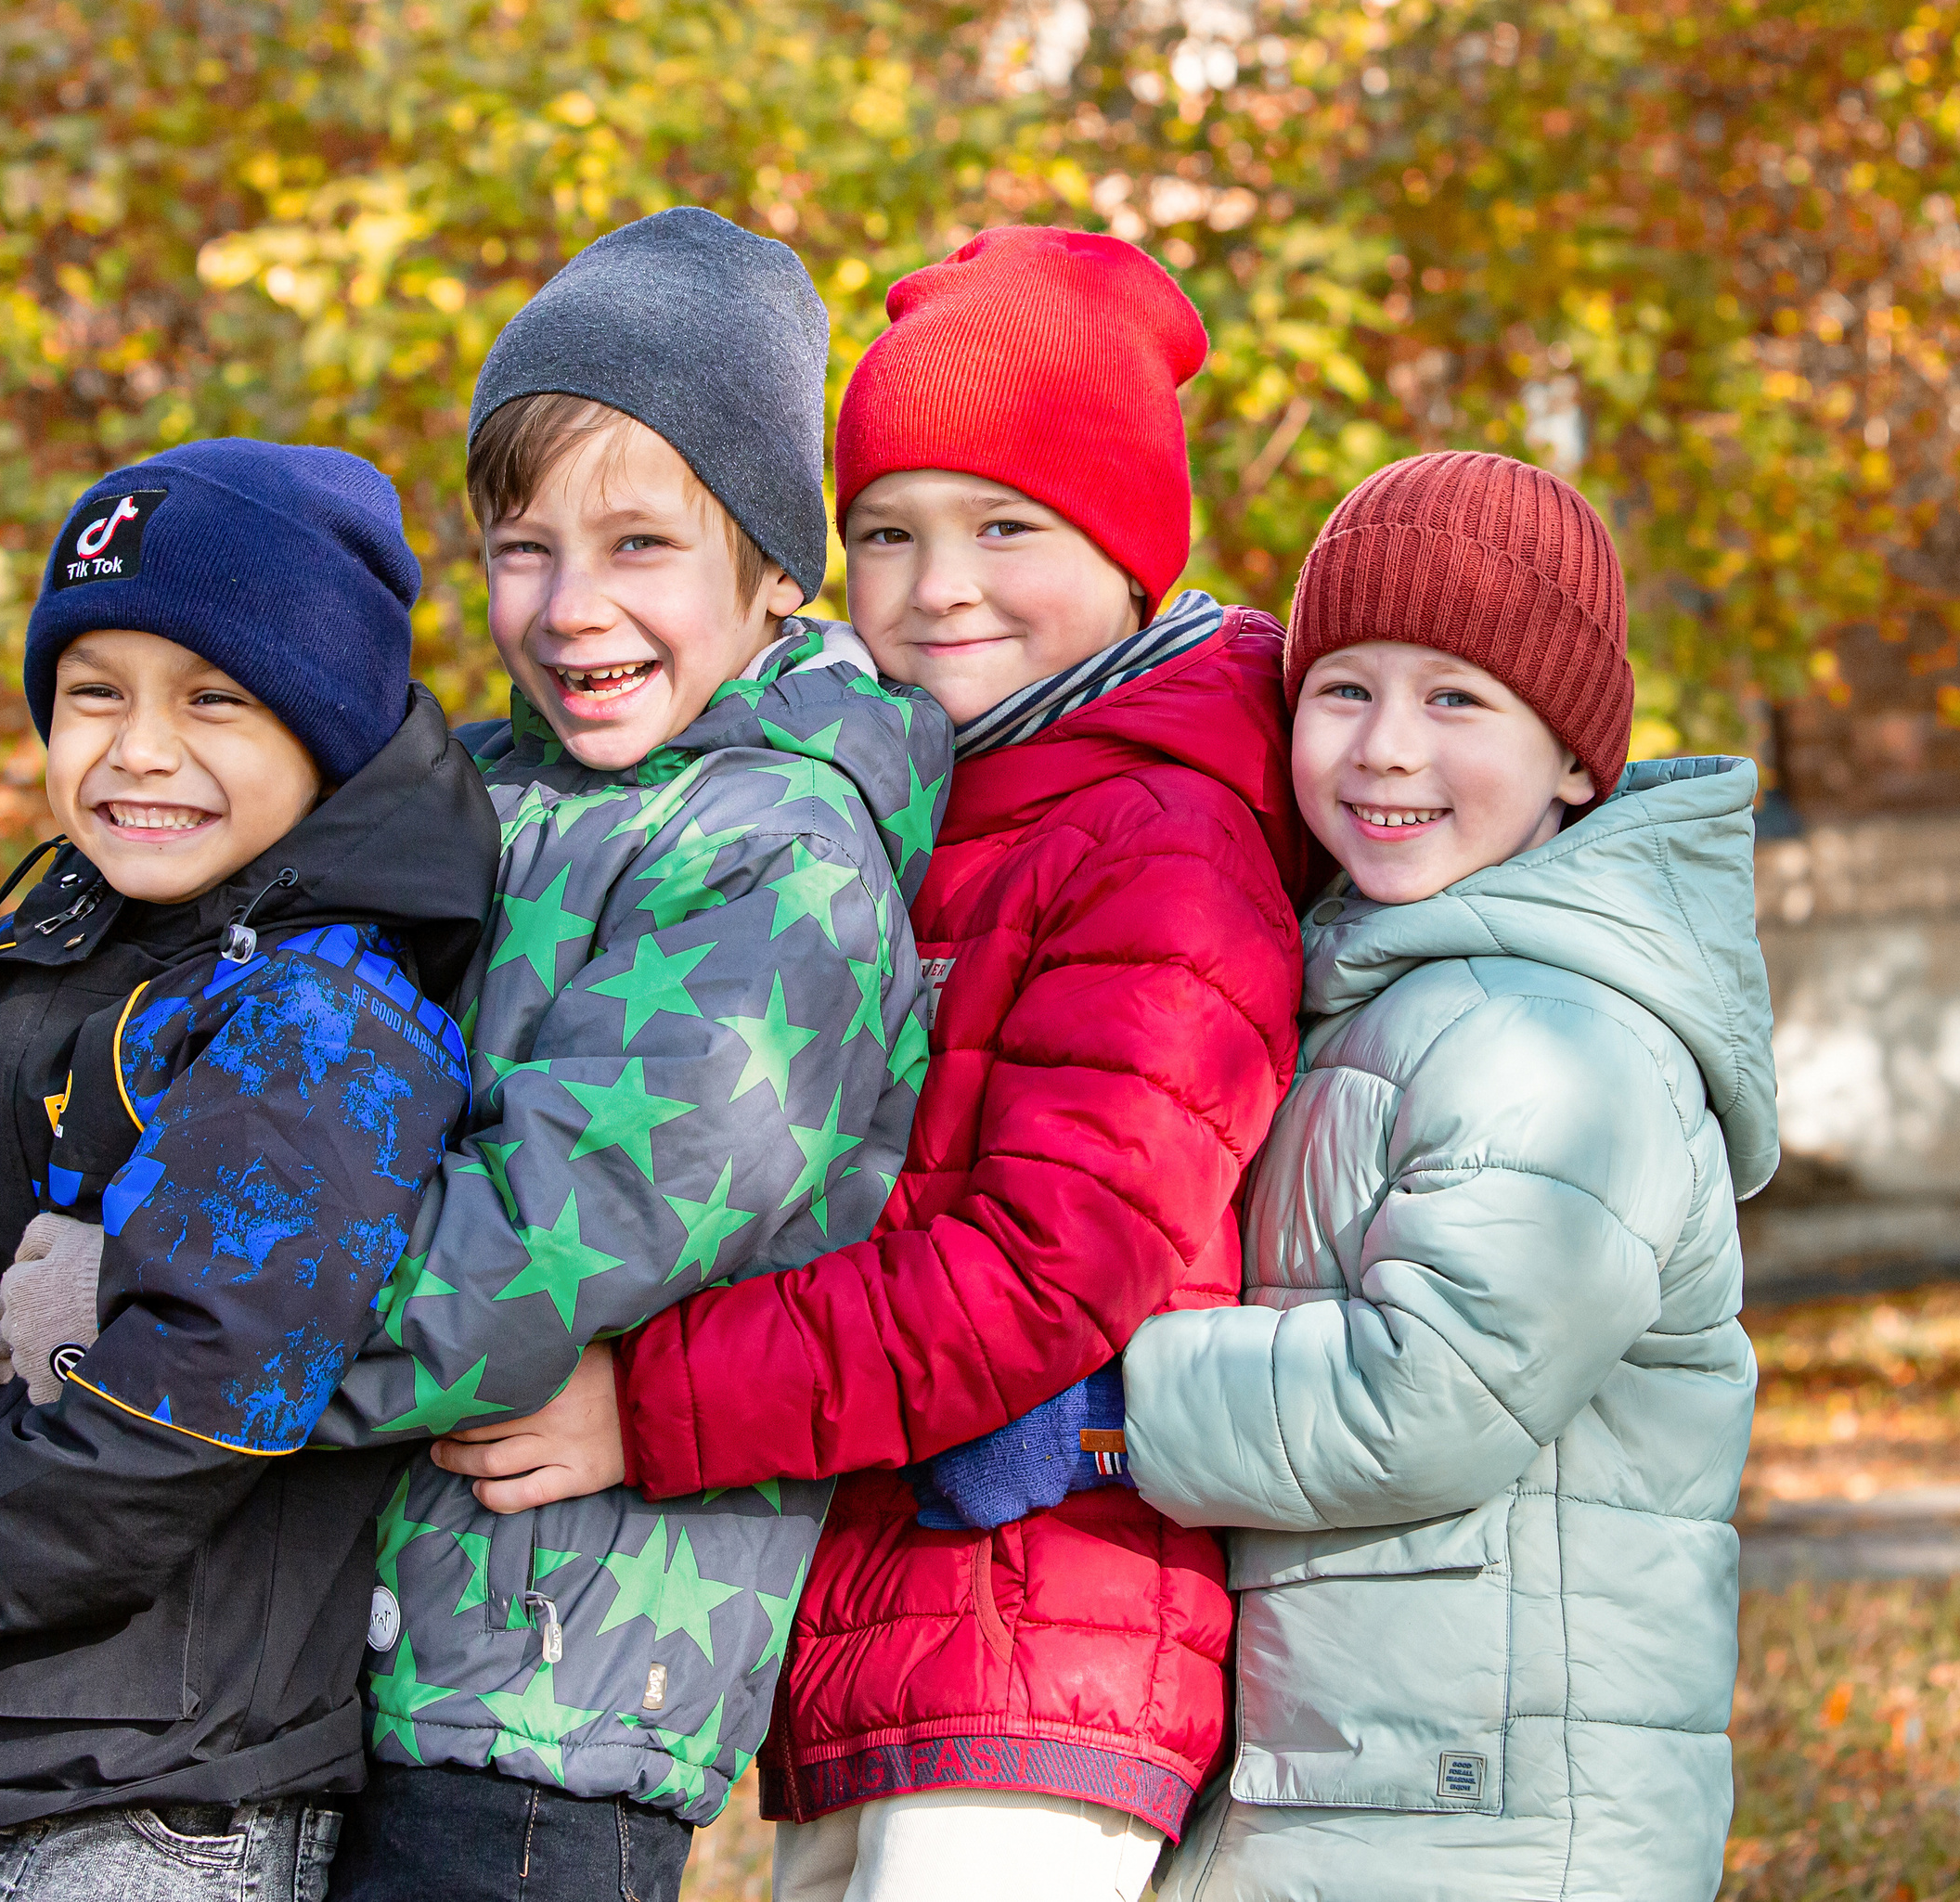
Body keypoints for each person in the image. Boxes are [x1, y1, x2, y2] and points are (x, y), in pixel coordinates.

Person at [432, 227, 1316, 1902]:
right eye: (887, 532)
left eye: (1008, 526)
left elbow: (1047, 1270)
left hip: (1038, 1630)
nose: (939, 585)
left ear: (1132, 554)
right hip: (873, 1630)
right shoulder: (929, 806)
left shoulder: (1162, 843)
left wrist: (654, 1403)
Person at [312, 207, 952, 1902]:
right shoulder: (456, 801)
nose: (571, 606)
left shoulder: (780, 857)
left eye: (641, 545)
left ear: (769, 570)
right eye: (523, 545)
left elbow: (543, 1239)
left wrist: (178, 1354)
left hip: (546, 1706)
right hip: (327, 1669)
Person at [0, 438, 500, 1899]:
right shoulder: (35, 955)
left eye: (215, 699)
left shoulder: (324, 1011)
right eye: (95, 692)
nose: (141, 747)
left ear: (327, 729)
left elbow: (204, 1392)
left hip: (166, 1801)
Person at [1123, 450, 1776, 1902]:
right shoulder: (1383, 990)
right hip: (1375, 1775)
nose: (1387, 749)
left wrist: (1107, 1410)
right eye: (1342, 688)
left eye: (1457, 697)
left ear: (1576, 759)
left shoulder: (1558, 1037)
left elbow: (1430, 1392)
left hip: (1497, 1815)